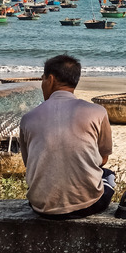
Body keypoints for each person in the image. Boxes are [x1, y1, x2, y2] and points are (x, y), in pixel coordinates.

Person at [19, 54, 115, 219]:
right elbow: (103, 158)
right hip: (88, 206)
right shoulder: (98, 112)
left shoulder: (28, 118)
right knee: (108, 175)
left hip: (41, 207)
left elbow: (30, 163)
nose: (42, 84)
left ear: (50, 79)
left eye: (42, 79)